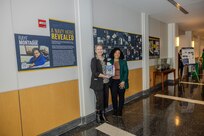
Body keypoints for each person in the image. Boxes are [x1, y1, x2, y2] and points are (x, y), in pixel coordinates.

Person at [90, 44, 110, 123]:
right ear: (95, 51)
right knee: (99, 100)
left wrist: (109, 74)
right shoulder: (94, 60)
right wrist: (104, 76)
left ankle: (103, 114)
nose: (100, 50)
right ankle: (98, 115)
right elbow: (95, 73)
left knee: (105, 99)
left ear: (103, 50)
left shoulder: (105, 60)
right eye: (98, 49)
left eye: (101, 49)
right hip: (97, 83)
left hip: (106, 83)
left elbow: (108, 70)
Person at [109, 48, 129, 117]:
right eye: (115, 52)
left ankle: (120, 111)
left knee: (121, 96)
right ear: (113, 53)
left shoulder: (123, 62)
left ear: (120, 54)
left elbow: (126, 72)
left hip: (121, 81)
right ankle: (115, 111)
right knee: (114, 96)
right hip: (113, 81)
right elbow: (108, 74)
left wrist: (123, 81)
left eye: (118, 53)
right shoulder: (110, 62)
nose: (117, 54)